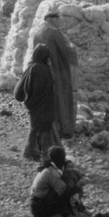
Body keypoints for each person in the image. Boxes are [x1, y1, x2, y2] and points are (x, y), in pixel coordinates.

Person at [14, 44, 60, 161]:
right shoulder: (42, 70)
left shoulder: (30, 67)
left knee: (35, 128)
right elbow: (43, 89)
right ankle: (45, 154)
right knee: (44, 128)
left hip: (33, 105)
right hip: (43, 106)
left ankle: (31, 151)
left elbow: (20, 90)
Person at [37, 11, 78, 139]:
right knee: (61, 99)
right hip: (57, 70)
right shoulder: (54, 32)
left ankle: (46, 128)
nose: (59, 22)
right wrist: (73, 49)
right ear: (52, 19)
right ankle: (61, 129)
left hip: (41, 69)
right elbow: (66, 52)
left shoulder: (38, 31)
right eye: (57, 19)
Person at [30, 146, 85, 217]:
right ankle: (56, 212)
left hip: (36, 204)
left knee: (65, 183)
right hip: (39, 209)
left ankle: (75, 207)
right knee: (64, 189)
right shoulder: (52, 172)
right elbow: (64, 193)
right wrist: (78, 185)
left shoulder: (50, 167)